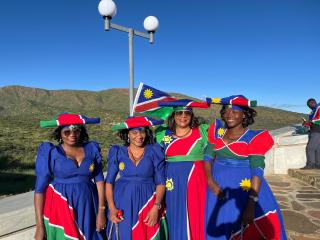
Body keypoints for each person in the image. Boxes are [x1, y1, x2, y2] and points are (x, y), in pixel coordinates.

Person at [204, 95, 287, 240]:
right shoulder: (217, 132)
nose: (230, 114)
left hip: (243, 190)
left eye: (235, 111)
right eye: (227, 111)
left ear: (244, 115)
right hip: (217, 189)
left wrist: (251, 205)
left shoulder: (254, 137)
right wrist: (210, 181)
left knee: (243, 230)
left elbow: (257, 170)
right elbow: (208, 157)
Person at [34, 113, 106, 240]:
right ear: (60, 134)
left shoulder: (91, 149)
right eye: (67, 132)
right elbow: (39, 190)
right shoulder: (51, 153)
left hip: (88, 204)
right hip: (60, 205)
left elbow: (99, 180)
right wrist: (39, 226)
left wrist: (101, 210)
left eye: (76, 130)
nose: (72, 135)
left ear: (81, 131)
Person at [155, 99, 210, 240]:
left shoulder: (202, 131)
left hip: (196, 181)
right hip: (172, 182)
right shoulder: (163, 134)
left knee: (196, 213)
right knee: (175, 213)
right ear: (173, 115)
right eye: (179, 113)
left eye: (187, 113)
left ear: (192, 116)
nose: (183, 116)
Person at [105, 116, 167, 240]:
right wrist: (111, 208)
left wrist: (156, 206)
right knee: (123, 234)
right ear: (127, 134)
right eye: (134, 132)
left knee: (147, 233)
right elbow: (109, 182)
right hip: (122, 202)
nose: (139, 136)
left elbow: (161, 182)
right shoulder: (117, 152)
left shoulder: (154, 151)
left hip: (148, 201)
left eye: (142, 131)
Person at [302, 98, 320, 169]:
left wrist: (309, 122)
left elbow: (318, 119)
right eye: (308, 105)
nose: (309, 106)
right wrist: (306, 123)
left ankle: (311, 164)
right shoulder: (312, 111)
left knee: (310, 148)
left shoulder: (318, 108)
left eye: (309, 104)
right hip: (313, 130)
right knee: (318, 149)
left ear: (313, 103)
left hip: (317, 131)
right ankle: (318, 164)